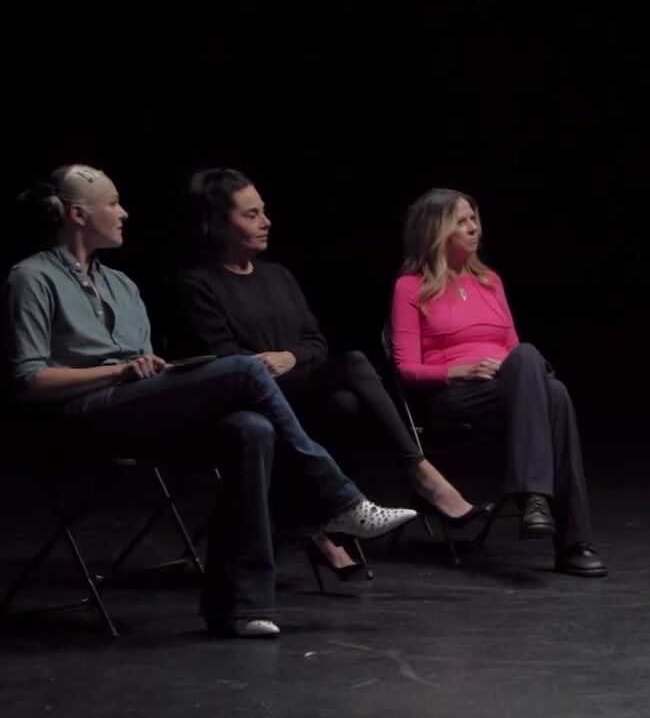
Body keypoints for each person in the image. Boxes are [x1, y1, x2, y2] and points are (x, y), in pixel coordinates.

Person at [5, 165, 417, 638]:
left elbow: (143, 365)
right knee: (244, 369)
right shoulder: (31, 278)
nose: (124, 213)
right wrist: (118, 371)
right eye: (113, 204)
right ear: (78, 215)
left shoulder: (122, 284)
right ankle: (338, 498)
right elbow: (29, 381)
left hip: (134, 409)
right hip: (76, 418)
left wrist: (151, 369)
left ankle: (239, 608)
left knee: (251, 428)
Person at [175, 169, 491, 576]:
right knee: (354, 364)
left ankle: (320, 526)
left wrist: (290, 356)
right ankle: (418, 473)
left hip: (295, 388)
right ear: (217, 224)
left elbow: (315, 342)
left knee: (345, 405)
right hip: (245, 395)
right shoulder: (197, 283)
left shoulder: (277, 275)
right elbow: (221, 355)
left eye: (264, 211)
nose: (266, 221)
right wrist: (276, 362)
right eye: (251, 215)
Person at [389, 188, 605, 577]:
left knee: (546, 382)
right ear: (435, 231)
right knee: (550, 387)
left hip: (508, 390)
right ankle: (569, 538)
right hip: (453, 397)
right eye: (461, 221)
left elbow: (513, 350)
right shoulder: (410, 287)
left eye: (474, 218)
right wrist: (458, 371)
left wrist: (513, 371)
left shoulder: (490, 281)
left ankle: (542, 506)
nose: (474, 228)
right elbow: (406, 368)